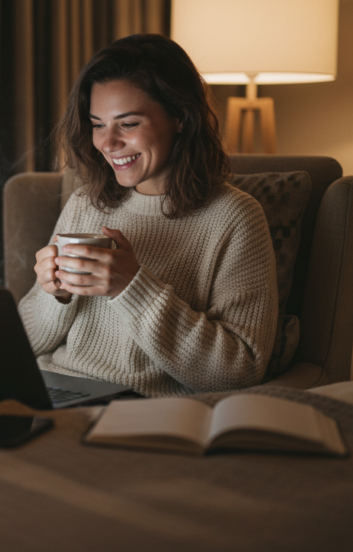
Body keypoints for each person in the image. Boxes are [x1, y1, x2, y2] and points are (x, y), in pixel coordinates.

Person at [18, 33, 277, 397]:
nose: (108, 143)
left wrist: (131, 286)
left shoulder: (235, 217)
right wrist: (54, 294)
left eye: (128, 124)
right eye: (97, 124)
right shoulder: (86, 203)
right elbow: (24, 343)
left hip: (135, 404)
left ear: (180, 117)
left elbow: (239, 370)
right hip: (51, 387)